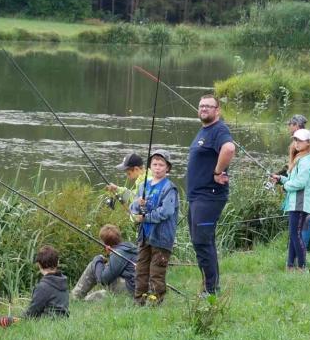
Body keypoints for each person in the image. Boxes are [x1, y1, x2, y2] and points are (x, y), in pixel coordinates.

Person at [186, 94, 236, 296]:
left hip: (209, 196)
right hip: (197, 197)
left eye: (208, 106)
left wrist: (217, 172)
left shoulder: (219, 129)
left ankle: (210, 289)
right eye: (201, 106)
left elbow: (229, 148)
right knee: (203, 241)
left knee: (202, 241)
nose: (204, 109)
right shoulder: (205, 130)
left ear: (218, 110)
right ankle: (210, 285)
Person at [131, 150, 178, 304]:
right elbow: (133, 208)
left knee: (156, 272)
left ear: (167, 168)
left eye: (161, 165)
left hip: (161, 238)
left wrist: (145, 218)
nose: (157, 167)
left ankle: (156, 302)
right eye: (155, 164)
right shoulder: (144, 185)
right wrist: (138, 205)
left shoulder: (169, 188)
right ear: (150, 167)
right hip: (144, 236)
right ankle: (139, 301)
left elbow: (166, 211)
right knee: (141, 270)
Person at [271, 129, 310, 270]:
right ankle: (290, 265)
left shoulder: (305, 161)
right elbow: (294, 180)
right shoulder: (300, 159)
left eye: (299, 140)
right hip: (296, 203)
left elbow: (300, 183)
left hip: (301, 203)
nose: (296, 143)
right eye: (295, 140)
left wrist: (286, 186)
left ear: (308, 143)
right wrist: (281, 179)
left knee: (295, 234)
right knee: (294, 234)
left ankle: (302, 266)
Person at [71, 224, 137, 301]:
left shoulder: (118, 253)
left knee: (94, 264)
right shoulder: (130, 248)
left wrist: (98, 259)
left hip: (131, 290)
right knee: (101, 293)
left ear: (106, 244)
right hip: (138, 288)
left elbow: (104, 280)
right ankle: (81, 298)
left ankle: (75, 297)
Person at [23, 246, 70, 319]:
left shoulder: (42, 287)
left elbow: (31, 314)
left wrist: (14, 319)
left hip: (47, 322)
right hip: (63, 321)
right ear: (58, 262)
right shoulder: (63, 281)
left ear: (39, 265)